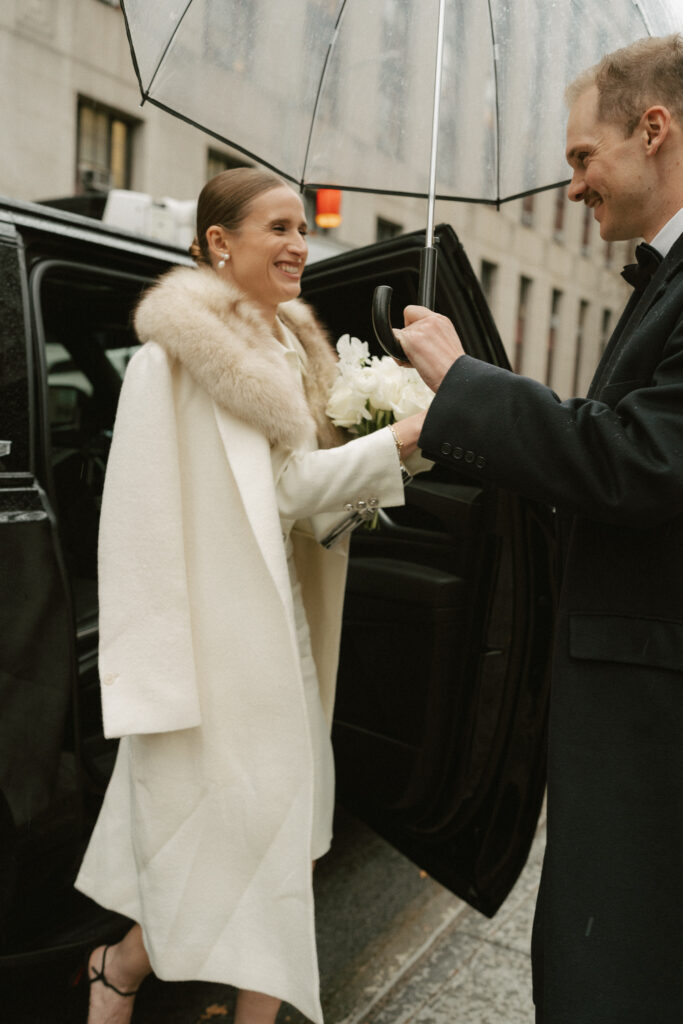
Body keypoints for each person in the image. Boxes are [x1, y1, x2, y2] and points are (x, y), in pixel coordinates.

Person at [73, 167, 429, 1024]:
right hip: (219, 641)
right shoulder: (185, 358)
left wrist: (387, 445)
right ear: (218, 243)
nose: (299, 244)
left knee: (276, 846)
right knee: (222, 846)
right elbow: (281, 491)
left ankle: (161, 983)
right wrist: (401, 442)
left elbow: (308, 510)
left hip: (283, 629)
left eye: (302, 227)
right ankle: (119, 965)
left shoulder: (287, 352)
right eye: (277, 228)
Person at [394, 33, 683, 1024]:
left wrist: (462, 388)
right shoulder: (661, 280)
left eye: (578, 157)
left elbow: (635, 461)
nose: (571, 188)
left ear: (653, 129)